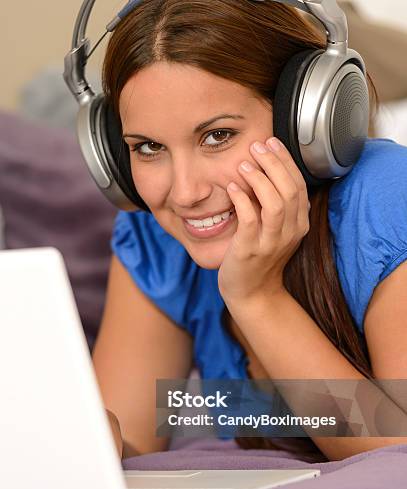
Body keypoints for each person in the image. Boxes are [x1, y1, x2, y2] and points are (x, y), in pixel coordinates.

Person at [91, 0, 407, 462]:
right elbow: (129, 450)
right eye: (149, 147)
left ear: (303, 122)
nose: (185, 193)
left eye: (217, 136)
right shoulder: (155, 237)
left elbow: (396, 455)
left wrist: (257, 296)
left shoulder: (387, 201)